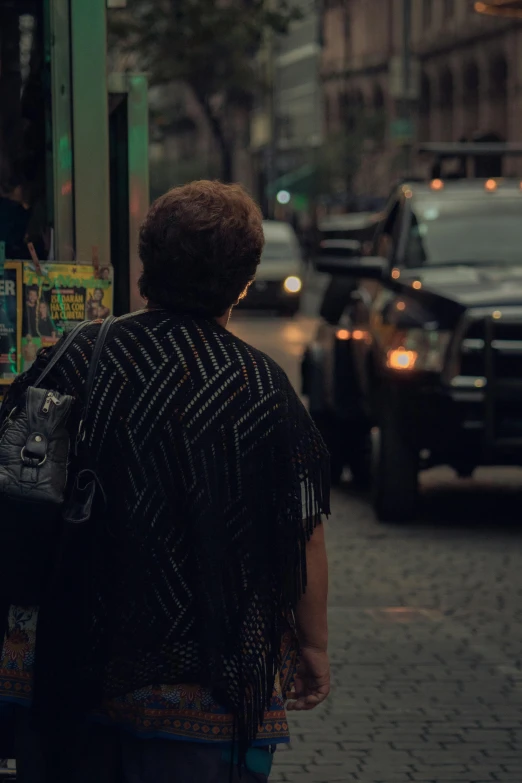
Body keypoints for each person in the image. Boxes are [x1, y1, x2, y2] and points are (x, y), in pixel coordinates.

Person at [0, 181, 331, 783]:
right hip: (208, 675)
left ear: (148, 264)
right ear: (241, 281)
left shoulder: (77, 352)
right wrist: (314, 648)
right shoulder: (262, 388)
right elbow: (301, 533)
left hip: (70, 662)